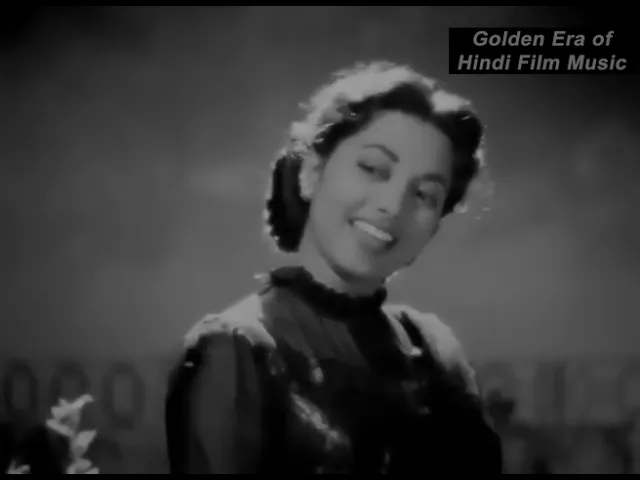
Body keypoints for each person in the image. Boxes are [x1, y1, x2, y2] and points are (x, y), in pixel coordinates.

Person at [164, 60, 503, 474]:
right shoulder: (235, 350)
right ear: (311, 173)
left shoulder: (437, 354)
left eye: (425, 195)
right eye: (373, 169)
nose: (393, 205)